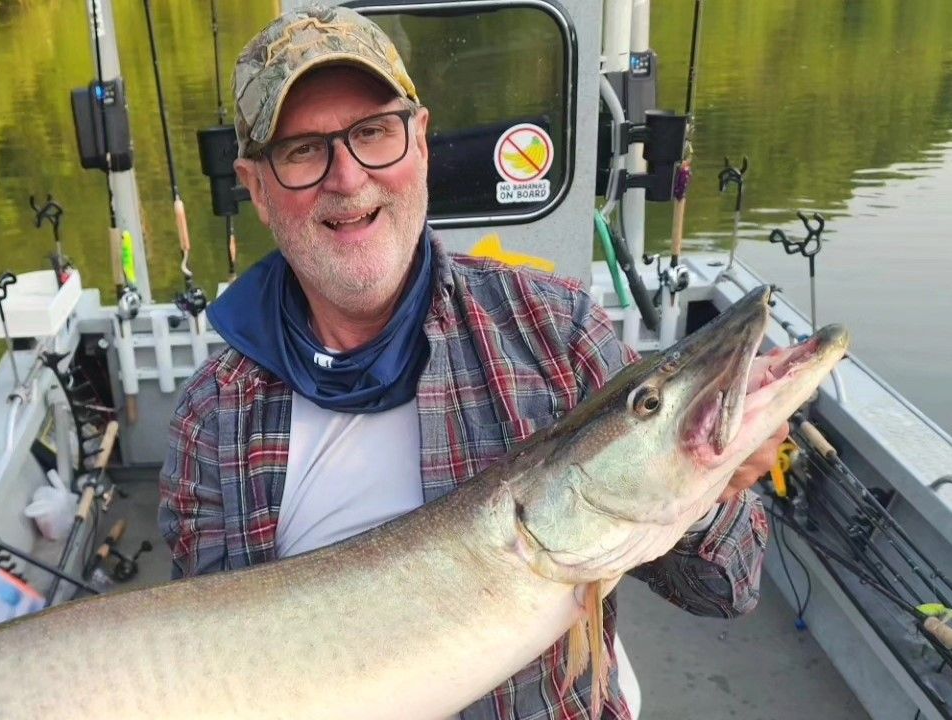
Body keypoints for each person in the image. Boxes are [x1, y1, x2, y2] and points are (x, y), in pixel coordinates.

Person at [158, 5, 785, 718]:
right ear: (259, 188)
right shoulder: (212, 418)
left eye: (374, 133)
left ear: (420, 144)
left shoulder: (556, 328)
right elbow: (209, 668)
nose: (347, 176)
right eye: (303, 149)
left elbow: (728, 586)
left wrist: (704, 480)